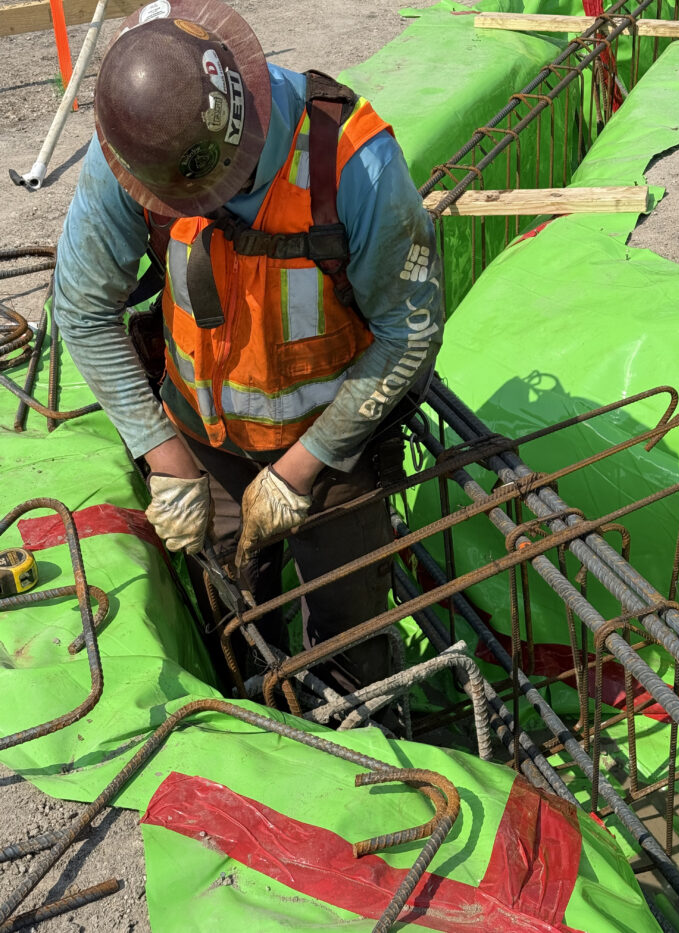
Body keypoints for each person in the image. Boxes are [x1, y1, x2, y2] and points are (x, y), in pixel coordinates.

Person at [53, 0, 443, 695]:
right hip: (202, 446)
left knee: (350, 645)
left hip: (335, 454)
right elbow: (82, 311)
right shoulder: (136, 154)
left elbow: (409, 328)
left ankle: (362, 742)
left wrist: (304, 466)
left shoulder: (353, 164)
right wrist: (164, 457)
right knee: (236, 628)